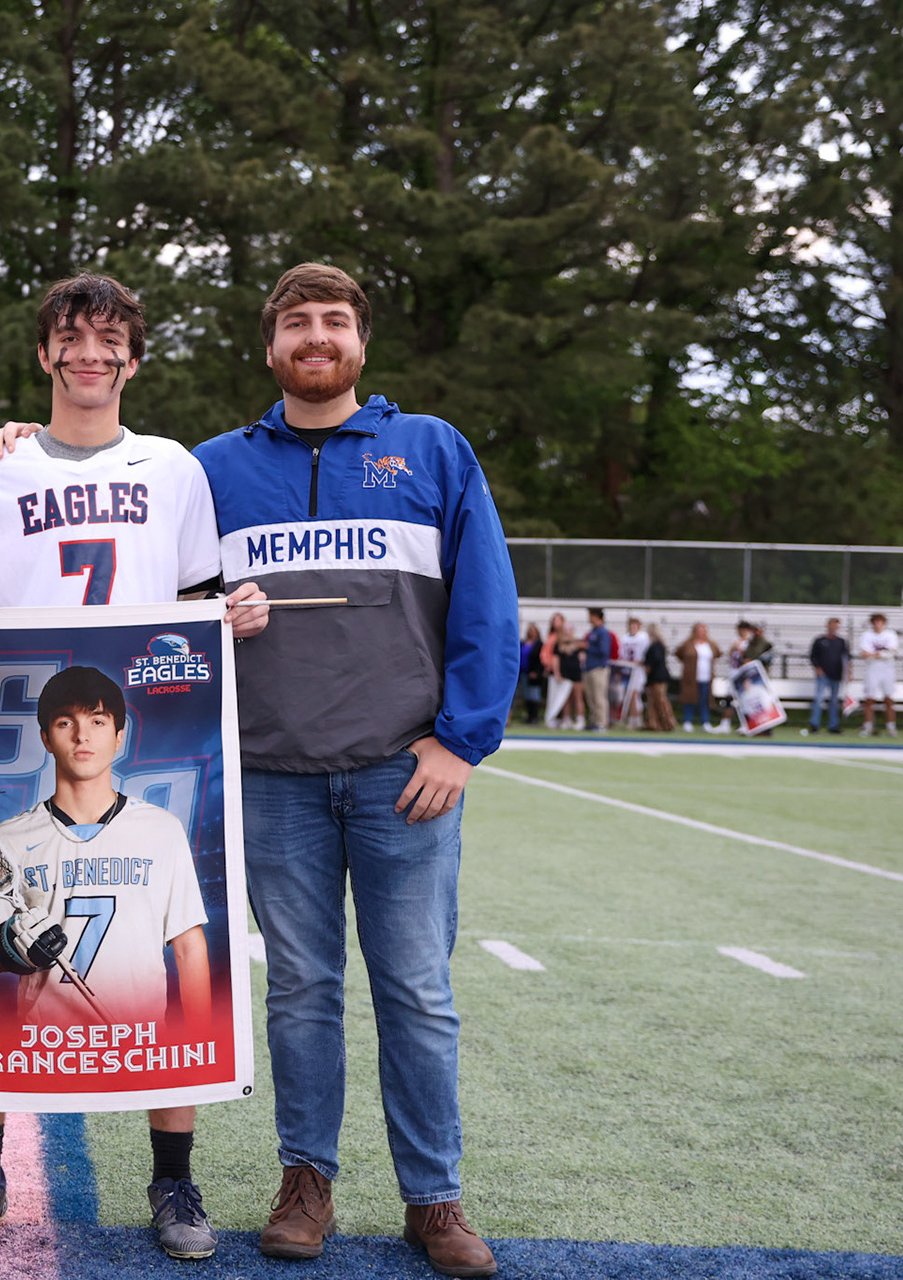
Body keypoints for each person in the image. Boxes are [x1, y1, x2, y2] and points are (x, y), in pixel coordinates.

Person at [0, 272, 268, 1260]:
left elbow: (199, 602)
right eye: (72, 336)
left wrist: (239, 613)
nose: (90, 353)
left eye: (110, 338)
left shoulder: (174, 467)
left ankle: (175, 1181)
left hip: (143, 731)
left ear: (133, 358)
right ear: (47, 353)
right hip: (15, 729)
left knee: (168, 940)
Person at [191, 262, 515, 1279]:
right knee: (300, 988)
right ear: (271, 344)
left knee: (416, 990)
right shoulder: (209, 469)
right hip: (272, 773)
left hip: (399, 775)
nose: (315, 335)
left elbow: (487, 599)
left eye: (334, 320)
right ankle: (306, 1181)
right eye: (297, 322)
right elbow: (153, 599)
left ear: (361, 344)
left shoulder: (432, 448)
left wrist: (462, 738)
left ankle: (435, 1194)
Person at [0, 666, 210, 1032]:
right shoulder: (6, 839)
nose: (82, 737)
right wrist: (15, 951)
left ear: (119, 736)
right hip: (46, 1047)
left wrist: (201, 1042)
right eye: (66, 723)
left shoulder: (162, 830)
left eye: (97, 721)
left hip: (139, 1045)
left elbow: (189, 947)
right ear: (46, 738)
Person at [806, 618, 848, 736]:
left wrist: (848, 674)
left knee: (834, 701)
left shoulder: (841, 642)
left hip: (836, 674)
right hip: (823, 675)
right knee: (819, 699)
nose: (834, 627)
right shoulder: (820, 640)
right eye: (832, 625)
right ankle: (814, 724)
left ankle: (833, 725)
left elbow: (846, 658)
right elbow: (813, 656)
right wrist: (817, 668)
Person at [860, 613, 900, 736]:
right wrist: (881, 654)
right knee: (869, 700)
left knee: (888, 699)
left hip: (887, 671)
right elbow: (864, 653)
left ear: (884, 623)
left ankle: (891, 727)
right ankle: (867, 726)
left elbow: (892, 652)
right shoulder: (866, 635)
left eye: (880, 622)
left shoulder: (890, 634)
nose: (878, 625)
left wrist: (875, 654)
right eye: (876, 622)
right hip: (872, 671)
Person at [676, 623, 719, 732]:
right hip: (691, 678)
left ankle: (705, 721)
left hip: (706, 677)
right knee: (689, 699)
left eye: (703, 630)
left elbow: (718, 653)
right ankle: (688, 721)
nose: (701, 633)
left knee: (704, 700)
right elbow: (678, 653)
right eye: (699, 630)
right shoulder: (688, 644)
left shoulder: (710, 644)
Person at [581, 607, 615, 732]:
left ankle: (601, 723)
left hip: (599, 669)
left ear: (596, 616)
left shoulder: (603, 632)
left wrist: (587, 647)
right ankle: (594, 721)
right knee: (591, 697)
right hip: (589, 668)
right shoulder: (593, 632)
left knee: (599, 696)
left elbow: (604, 651)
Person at [542, 612, 575, 728]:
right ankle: (551, 718)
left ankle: (565, 718)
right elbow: (549, 654)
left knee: (564, 696)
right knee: (554, 696)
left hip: (563, 671)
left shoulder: (563, 638)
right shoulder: (552, 637)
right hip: (554, 670)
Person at [640, 623, 675, 733]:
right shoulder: (659, 645)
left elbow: (654, 661)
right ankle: (653, 723)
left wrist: (647, 667)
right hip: (655, 677)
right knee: (653, 701)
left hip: (657, 677)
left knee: (660, 700)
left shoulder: (655, 646)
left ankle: (668, 722)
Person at [619, 617, 650, 729]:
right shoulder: (625, 638)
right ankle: (635, 718)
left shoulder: (643, 637)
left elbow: (646, 654)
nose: (632, 628)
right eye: (631, 626)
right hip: (627, 669)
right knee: (630, 695)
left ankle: (635, 718)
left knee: (634, 695)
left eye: (635, 626)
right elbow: (622, 653)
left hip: (638, 670)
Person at [518, 623, 545, 724]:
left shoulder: (539, 644)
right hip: (524, 672)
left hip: (534, 673)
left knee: (534, 695)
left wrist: (536, 672)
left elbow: (540, 659)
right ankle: (529, 716)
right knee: (526, 695)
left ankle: (535, 716)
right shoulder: (523, 643)